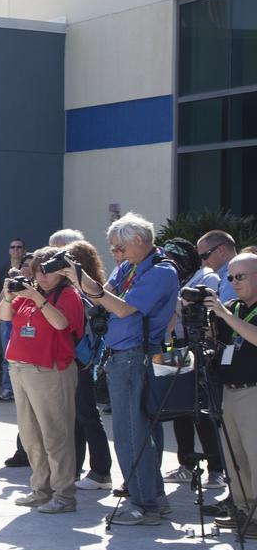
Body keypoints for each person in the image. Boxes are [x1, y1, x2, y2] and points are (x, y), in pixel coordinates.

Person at [69, 213, 179, 526]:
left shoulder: (160, 271)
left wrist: (86, 283)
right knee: (136, 432)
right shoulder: (130, 267)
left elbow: (122, 306)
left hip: (137, 357)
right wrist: (75, 274)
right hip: (122, 356)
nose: (116, 255)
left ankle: (144, 506)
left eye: (119, 248)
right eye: (113, 249)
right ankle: (153, 499)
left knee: (132, 433)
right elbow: (100, 295)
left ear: (140, 242)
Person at [0, 247, 86, 513]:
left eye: (47, 271)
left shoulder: (68, 294)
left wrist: (37, 297)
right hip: (21, 370)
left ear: (61, 272)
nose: (42, 276)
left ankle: (64, 494)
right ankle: (41, 489)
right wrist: (8, 294)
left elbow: (61, 324)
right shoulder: (28, 294)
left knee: (55, 434)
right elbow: (3, 316)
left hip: (50, 370)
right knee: (31, 435)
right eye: (37, 271)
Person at [163, 240, 225, 490]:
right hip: (175, 346)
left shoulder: (206, 276)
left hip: (200, 347)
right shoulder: (173, 280)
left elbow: (199, 307)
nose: (172, 265)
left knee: (203, 410)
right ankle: (186, 465)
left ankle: (216, 469)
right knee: (178, 408)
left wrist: (174, 303)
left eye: (175, 259)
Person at [204, 253, 257, 535]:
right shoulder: (232, 308)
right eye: (230, 277)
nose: (234, 282)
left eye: (241, 276)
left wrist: (224, 314)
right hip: (229, 390)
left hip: (254, 392)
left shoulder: (233, 311)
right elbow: (221, 342)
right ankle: (243, 510)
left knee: (255, 454)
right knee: (235, 455)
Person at [65, 240, 115, 492]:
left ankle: (101, 471)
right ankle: (75, 468)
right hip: (77, 358)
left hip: (83, 359)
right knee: (77, 415)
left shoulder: (91, 291)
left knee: (87, 414)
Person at [0, 238, 29, 402]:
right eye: (12, 247)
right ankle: (8, 388)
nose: (16, 250)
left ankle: (24, 388)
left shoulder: (29, 268)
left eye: (19, 247)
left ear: (23, 250)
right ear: (9, 250)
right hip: (8, 318)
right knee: (7, 354)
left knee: (26, 354)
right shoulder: (2, 271)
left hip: (26, 316)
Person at [199, 230, 239, 303]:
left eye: (204, 256)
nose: (203, 263)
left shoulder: (231, 277)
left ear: (220, 250)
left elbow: (224, 313)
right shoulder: (242, 271)